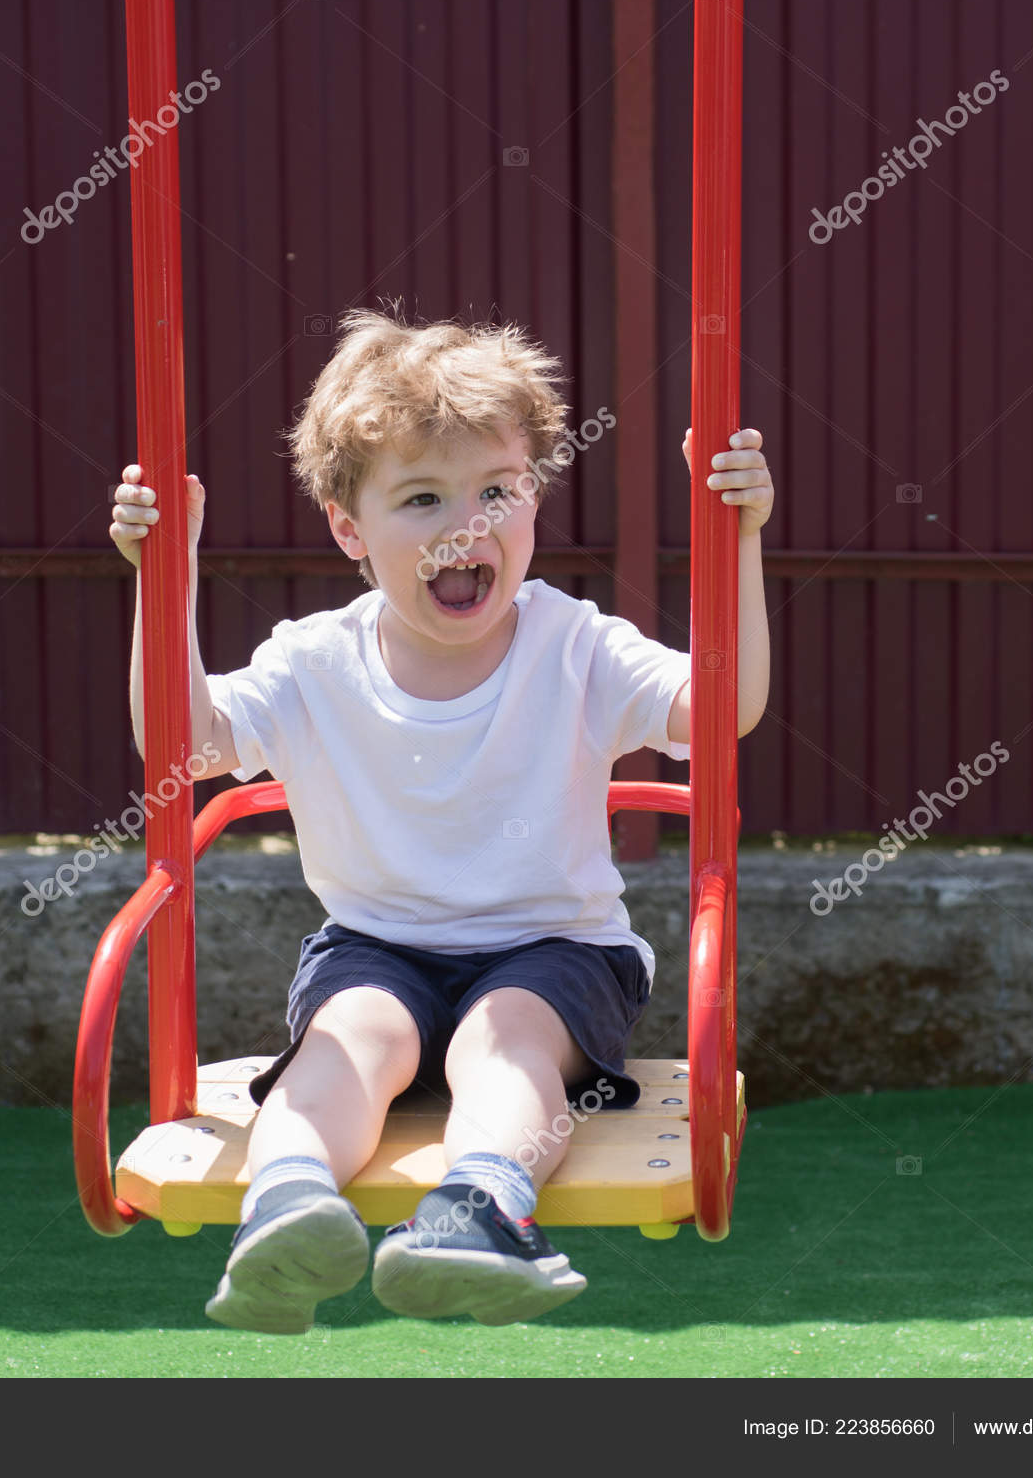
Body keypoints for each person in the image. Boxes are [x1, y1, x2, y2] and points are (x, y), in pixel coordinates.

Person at [107, 307, 773, 1334]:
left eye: (495, 491)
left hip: (557, 950)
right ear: (349, 527)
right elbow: (183, 747)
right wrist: (167, 575)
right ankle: (286, 1203)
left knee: (504, 1035)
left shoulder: (573, 645)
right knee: (347, 1035)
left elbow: (720, 711)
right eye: (422, 498)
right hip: (376, 948)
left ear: (533, 498)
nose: (468, 526)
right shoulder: (312, 661)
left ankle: (479, 1207)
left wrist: (735, 540)